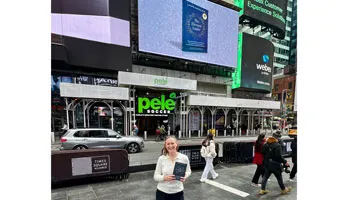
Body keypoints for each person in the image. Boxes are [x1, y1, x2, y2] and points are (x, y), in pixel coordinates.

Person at [154, 136, 191, 200]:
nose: (170, 146)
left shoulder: (184, 158)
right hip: (162, 192)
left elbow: (188, 171)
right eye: (168, 144)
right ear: (165, 146)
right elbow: (156, 176)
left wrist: (185, 176)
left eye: (172, 143)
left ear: (176, 144)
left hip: (177, 192)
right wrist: (164, 178)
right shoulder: (161, 158)